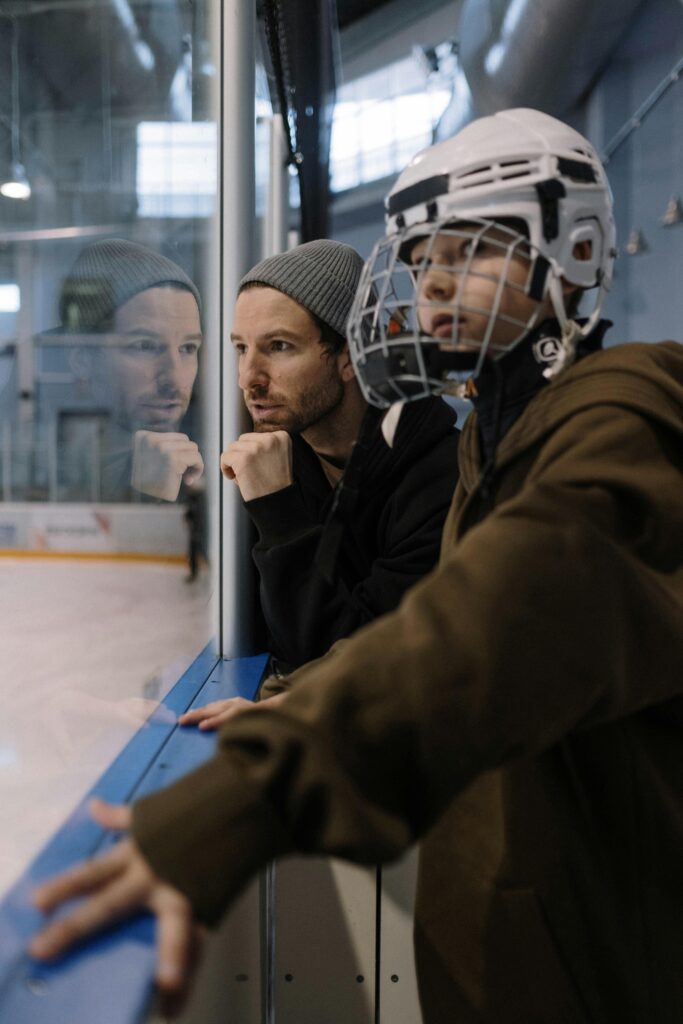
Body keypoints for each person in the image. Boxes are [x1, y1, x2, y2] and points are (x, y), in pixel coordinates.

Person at [30, 109, 683, 1024]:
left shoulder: (621, 424)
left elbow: (489, 628)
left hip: (606, 957)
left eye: (474, 252)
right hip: (514, 937)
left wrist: (239, 802)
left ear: (569, 250)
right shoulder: (494, 437)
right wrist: (292, 690)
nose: (436, 286)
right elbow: (423, 616)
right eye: (423, 262)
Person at [214, 240, 459, 671]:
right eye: (240, 348)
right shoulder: (278, 454)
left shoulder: (441, 480)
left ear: (351, 356)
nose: (249, 378)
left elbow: (342, 664)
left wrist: (278, 515)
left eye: (279, 346)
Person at [59, 238, 204, 502]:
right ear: (83, 360)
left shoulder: (217, 462)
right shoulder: (32, 460)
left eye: (188, 348)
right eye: (145, 346)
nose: (173, 379)